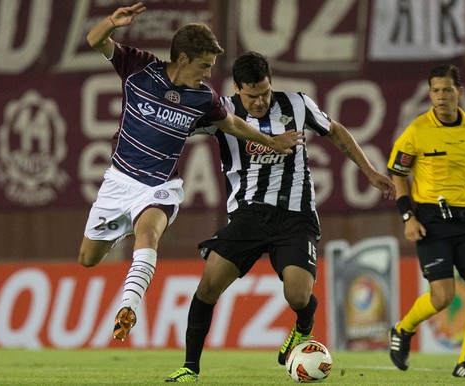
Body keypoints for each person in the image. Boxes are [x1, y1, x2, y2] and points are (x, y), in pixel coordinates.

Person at [165, 51, 396, 382]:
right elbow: (177, 130)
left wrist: (371, 172)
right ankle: (190, 368)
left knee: (297, 295)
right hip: (247, 216)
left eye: (264, 93)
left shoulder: (297, 105)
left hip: (294, 216)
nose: (259, 102)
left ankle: (304, 323)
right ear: (237, 88)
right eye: (251, 95)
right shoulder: (223, 111)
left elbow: (336, 131)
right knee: (208, 287)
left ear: (271, 83)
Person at [78, 3, 302, 342]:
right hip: (118, 181)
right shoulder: (139, 68)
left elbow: (233, 125)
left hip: (159, 187)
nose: (209, 73)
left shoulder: (202, 98)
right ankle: (127, 228)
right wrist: (112, 22)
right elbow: (95, 41)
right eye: (204, 65)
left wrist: (270, 141)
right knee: (87, 259)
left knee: (149, 235)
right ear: (182, 59)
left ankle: (128, 307)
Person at [386, 64, 465, 378]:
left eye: (447, 90)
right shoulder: (417, 130)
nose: (440, 96)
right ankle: (403, 329)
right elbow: (397, 173)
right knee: (443, 297)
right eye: (435, 90)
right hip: (431, 219)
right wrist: (408, 217)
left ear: (459, 92)